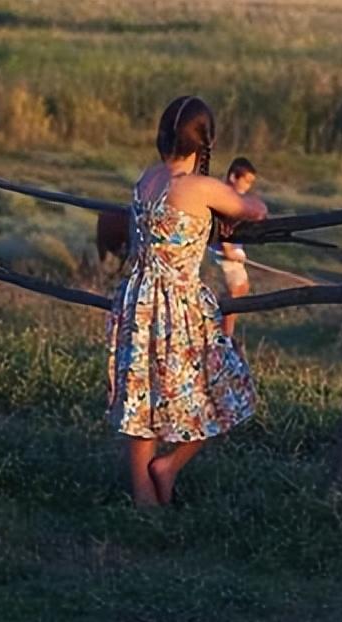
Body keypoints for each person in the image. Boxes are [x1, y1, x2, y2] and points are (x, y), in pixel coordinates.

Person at [105, 96, 268, 508]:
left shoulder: (146, 180)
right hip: (178, 302)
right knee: (227, 391)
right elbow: (254, 209)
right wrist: (240, 206)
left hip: (137, 300)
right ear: (202, 142)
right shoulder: (201, 187)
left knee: (141, 400)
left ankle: (145, 501)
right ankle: (169, 467)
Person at [209, 157, 257, 337]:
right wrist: (230, 251)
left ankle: (223, 331)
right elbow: (222, 228)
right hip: (223, 255)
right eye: (246, 182)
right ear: (233, 177)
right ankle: (225, 335)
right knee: (233, 295)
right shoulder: (224, 199)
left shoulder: (235, 199)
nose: (248, 187)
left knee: (242, 288)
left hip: (233, 254)